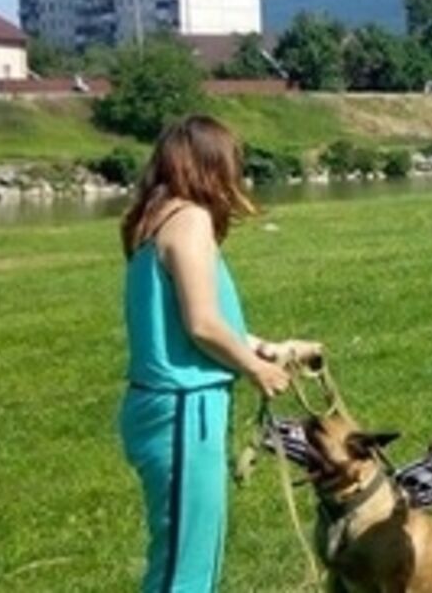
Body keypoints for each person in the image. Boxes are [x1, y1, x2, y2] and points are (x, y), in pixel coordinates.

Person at [119, 115, 321, 593]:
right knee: (184, 571)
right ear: (211, 164)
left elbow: (203, 321)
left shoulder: (156, 217)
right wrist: (255, 369)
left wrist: (269, 348)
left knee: (185, 557)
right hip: (183, 410)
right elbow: (203, 325)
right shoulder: (188, 219)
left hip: (168, 407)